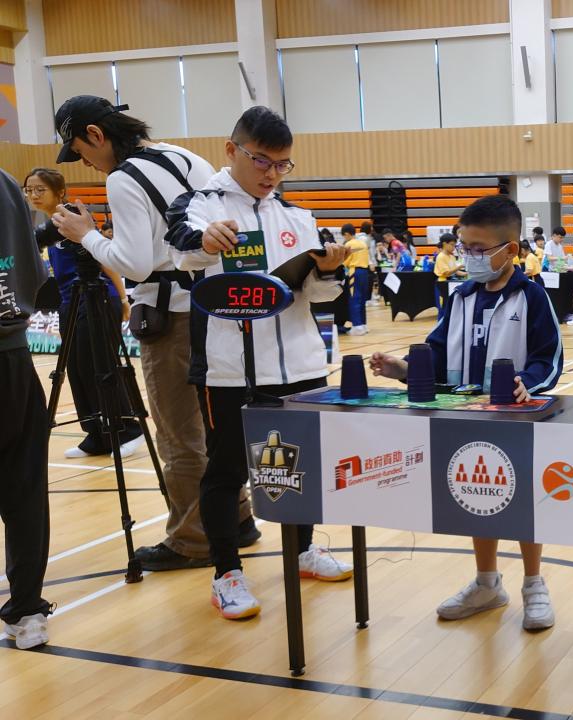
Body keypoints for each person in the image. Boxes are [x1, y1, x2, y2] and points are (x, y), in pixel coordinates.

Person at [48, 95, 257, 572]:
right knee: (217, 427)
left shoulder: (123, 177)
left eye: (80, 151)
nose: (85, 162)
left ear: (96, 135)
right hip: (218, 308)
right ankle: (237, 518)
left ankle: (193, 540)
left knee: (180, 435)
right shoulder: (184, 155)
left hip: (172, 317)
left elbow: (136, 263)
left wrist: (86, 235)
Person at [165, 106, 354, 620]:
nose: (272, 174)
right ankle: (226, 572)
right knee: (226, 471)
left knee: (302, 466)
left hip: (301, 366)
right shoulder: (199, 205)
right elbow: (181, 250)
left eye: (282, 164)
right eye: (262, 161)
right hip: (229, 369)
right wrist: (205, 242)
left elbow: (319, 296)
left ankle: (303, 550)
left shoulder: (297, 216)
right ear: (232, 151)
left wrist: (329, 270)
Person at [370, 195, 562, 631]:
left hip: (516, 421)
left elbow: (549, 359)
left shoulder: (531, 297)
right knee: (479, 496)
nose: (469, 256)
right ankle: (486, 582)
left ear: (509, 250)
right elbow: (436, 352)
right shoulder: (459, 297)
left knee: (523, 503)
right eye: (464, 247)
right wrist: (404, 368)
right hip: (466, 420)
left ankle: (534, 583)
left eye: (478, 249)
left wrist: (527, 383)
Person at [24, 168, 144, 459]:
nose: (33, 195)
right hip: (69, 302)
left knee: (100, 364)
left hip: (97, 297)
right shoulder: (46, 226)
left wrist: (123, 299)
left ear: (59, 192)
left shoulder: (72, 218)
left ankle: (129, 429)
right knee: (77, 368)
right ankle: (97, 434)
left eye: (40, 189)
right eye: (29, 190)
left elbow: (105, 260)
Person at [0, 169, 55, 649]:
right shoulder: (4, 183)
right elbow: (35, 275)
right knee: (24, 490)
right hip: (14, 358)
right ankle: (26, 609)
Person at [340, 223, 370, 336]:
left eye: (344, 236)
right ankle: (363, 325)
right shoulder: (363, 243)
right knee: (362, 300)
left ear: (347, 234)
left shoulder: (348, 244)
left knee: (354, 298)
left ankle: (357, 326)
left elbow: (345, 261)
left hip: (354, 272)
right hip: (365, 272)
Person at [433, 233, 464, 306]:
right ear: (444, 244)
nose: (453, 248)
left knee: (451, 303)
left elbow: (456, 271)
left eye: (454, 245)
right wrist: (459, 267)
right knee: (445, 303)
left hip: (451, 281)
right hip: (443, 282)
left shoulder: (451, 257)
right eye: (452, 245)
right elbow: (446, 273)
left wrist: (467, 273)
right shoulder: (441, 257)